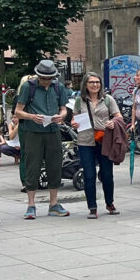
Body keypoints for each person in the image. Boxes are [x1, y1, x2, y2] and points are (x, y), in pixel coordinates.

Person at [15, 60, 72, 220]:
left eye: (50, 78)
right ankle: (31, 205)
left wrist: (61, 115)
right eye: (43, 78)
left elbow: (63, 108)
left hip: (53, 130)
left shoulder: (58, 87)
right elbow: (18, 111)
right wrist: (32, 116)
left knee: (55, 165)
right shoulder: (28, 87)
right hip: (33, 132)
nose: (46, 81)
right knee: (33, 165)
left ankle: (53, 204)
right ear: (38, 75)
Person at [70, 72, 124, 219]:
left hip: (104, 140)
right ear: (85, 85)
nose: (95, 85)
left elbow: (119, 116)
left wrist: (113, 122)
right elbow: (74, 119)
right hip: (85, 141)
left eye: (97, 82)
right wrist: (73, 123)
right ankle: (92, 207)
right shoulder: (79, 100)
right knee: (89, 175)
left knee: (107, 174)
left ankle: (109, 203)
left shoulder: (107, 99)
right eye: (91, 82)